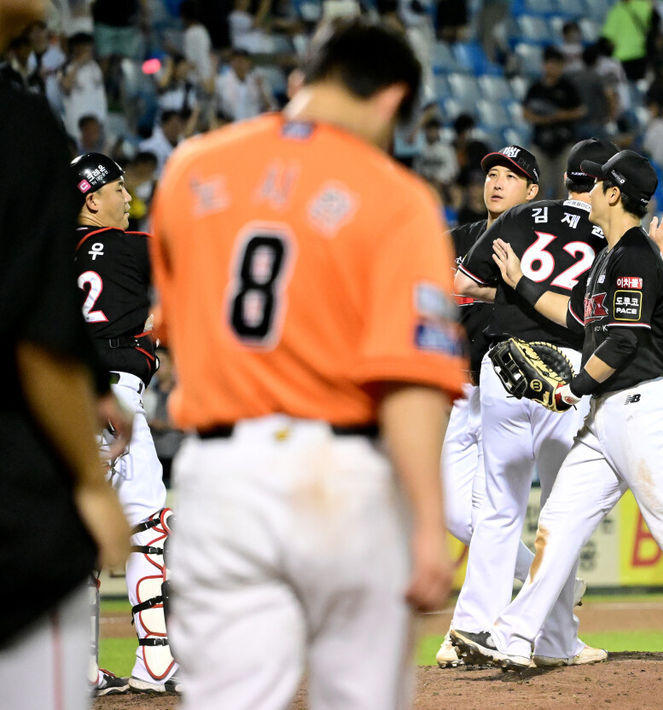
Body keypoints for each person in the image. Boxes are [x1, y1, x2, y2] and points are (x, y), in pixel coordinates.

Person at [149, 19, 466, 709]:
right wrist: (426, 523)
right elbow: (411, 379)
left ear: (302, 81)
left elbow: (172, 332)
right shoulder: (397, 197)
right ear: (391, 100)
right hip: (340, 477)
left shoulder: (191, 168)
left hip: (217, 475)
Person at [454, 152, 663, 682]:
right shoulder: (609, 257)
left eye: (595, 186)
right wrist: (522, 284)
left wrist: (569, 389)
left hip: (641, 407)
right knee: (557, 522)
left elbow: (622, 341)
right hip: (606, 413)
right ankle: (512, 635)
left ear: (614, 194)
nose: (585, 193)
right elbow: (575, 318)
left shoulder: (636, 255)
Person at [448, 138, 622, 669]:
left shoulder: (523, 219)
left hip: (502, 365)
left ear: (562, 177)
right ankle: (554, 639)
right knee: (561, 512)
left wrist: (514, 290)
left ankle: (474, 625)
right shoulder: (613, 237)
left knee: (497, 509)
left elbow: (460, 281)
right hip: (567, 370)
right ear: (603, 187)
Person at [0, 2, 129, 708]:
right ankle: (153, 658)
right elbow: (37, 339)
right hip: (23, 482)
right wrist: (85, 480)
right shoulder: (21, 126)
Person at [71, 151, 180, 695]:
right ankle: (155, 663)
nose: (127, 197)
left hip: (62, 401)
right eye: (117, 188)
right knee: (147, 526)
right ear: (92, 197)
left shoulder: (49, 258)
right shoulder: (131, 246)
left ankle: (86, 666)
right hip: (116, 394)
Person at [435, 143, 541, 668]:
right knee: (458, 514)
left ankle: (477, 627)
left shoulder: (547, 246)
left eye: (511, 175)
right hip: (462, 390)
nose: (496, 182)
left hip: (519, 390)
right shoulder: (457, 241)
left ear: (533, 192)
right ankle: (548, 574)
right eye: (492, 174)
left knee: (496, 512)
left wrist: (492, 292)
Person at [522, 46, 585, 200]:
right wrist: (543, 119)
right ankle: (537, 220)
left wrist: (561, 116)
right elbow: (525, 113)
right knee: (536, 185)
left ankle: (558, 222)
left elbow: (581, 110)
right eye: (550, 63)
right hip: (540, 143)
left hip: (563, 144)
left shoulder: (567, 87)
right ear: (544, 65)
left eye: (557, 64)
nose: (553, 68)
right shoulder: (536, 88)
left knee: (563, 187)